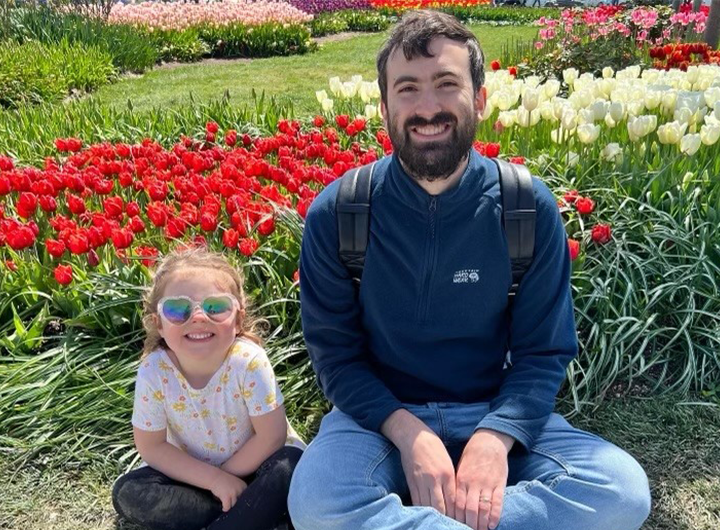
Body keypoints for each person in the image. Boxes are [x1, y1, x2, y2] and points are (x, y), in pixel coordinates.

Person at [289, 9, 651, 530]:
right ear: (385, 104)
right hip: (377, 421)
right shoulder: (341, 212)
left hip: (492, 406)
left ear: (479, 98)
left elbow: (543, 351)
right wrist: (408, 432)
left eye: (446, 84)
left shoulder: (524, 207)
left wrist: (495, 436)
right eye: (408, 89)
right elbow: (336, 357)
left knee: (619, 491)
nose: (428, 107)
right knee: (319, 506)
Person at [112, 248, 304, 530]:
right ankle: (251, 516)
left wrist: (225, 477)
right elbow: (151, 447)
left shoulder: (248, 362)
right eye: (178, 309)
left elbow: (271, 438)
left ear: (238, 320)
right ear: (159, 324)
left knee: (291, 465)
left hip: (259, 468)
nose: (199, 317)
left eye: (216, 307)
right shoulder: (155, 370)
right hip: (195, 478)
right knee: (130, 491)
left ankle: (235, 517)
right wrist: (213, 481)